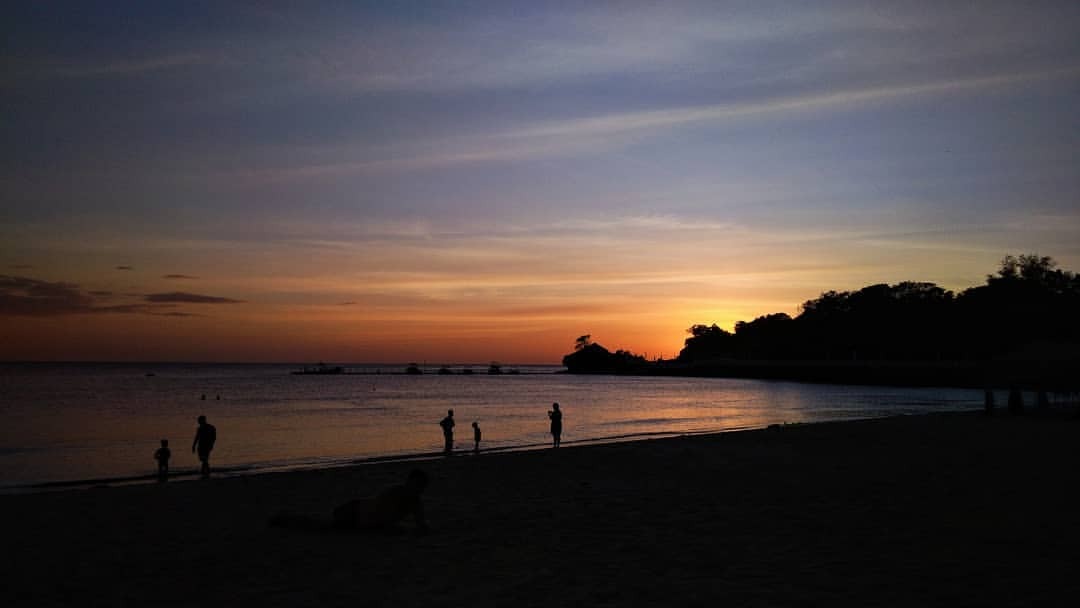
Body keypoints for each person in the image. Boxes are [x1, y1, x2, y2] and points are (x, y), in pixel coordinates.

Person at [332, 469, 430, 533]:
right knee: (330, 525)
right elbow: (385, 520)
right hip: (355, 510)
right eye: (417, 484)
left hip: (361, 520)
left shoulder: (416, 501)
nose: (419, 489)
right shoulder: (394, 492)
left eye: (421, 486)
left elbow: (421, 524)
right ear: (409, 482)